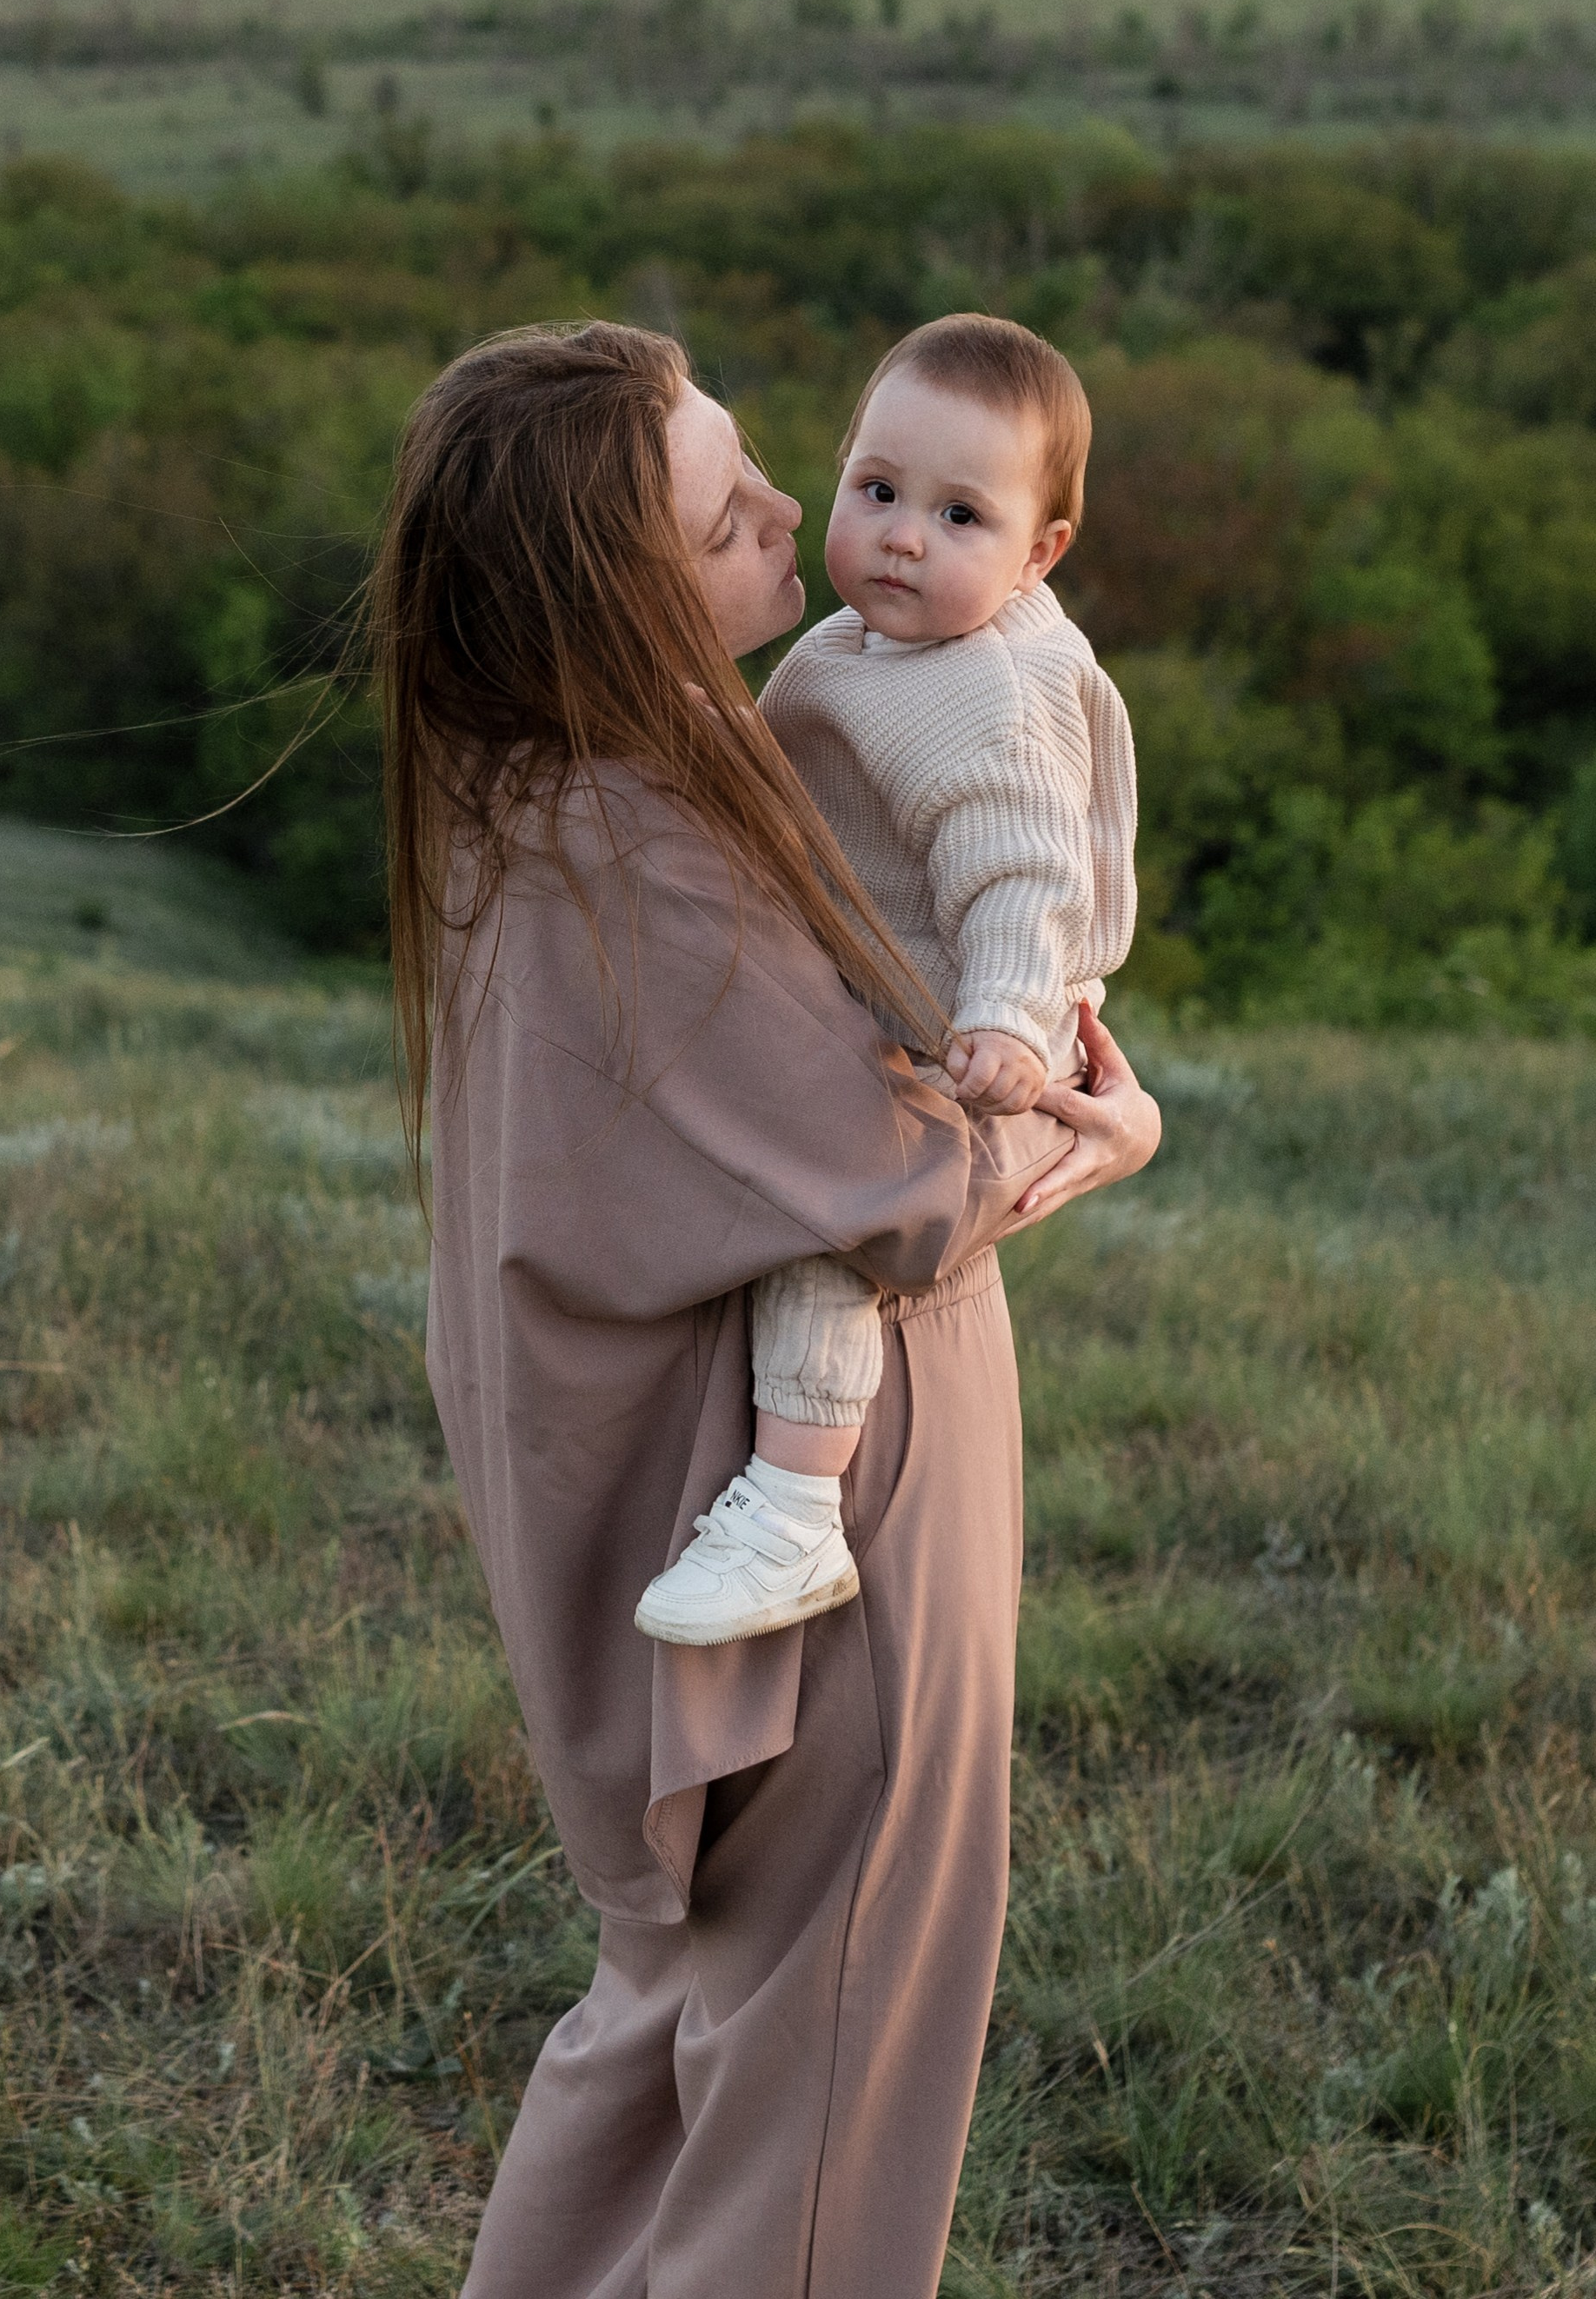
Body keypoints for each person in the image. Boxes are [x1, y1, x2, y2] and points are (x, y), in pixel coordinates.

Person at [371, 318, 1160, 2299]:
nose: (801, 508)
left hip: (690, 1509)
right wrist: (1103, 1134)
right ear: (629, 592)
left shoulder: (529, 780)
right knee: (820, 2103)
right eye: (733, 508)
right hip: (823, 1556)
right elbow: (900, 1185)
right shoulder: (635, 852)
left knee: (670, 2015)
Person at [636, 314, 1136, 1648]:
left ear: (1040, 555)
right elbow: (789, 771)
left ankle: (795, 1512)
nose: (903, 535)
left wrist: (1008, 1028)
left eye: (961, 515)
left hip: (949, 1026)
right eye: (879, 491)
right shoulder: (868, 645)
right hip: (889, 984)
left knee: (825, 1242)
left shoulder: (978, 693)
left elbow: (1021, 876)